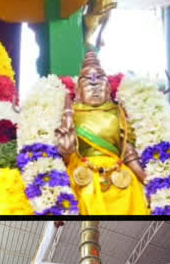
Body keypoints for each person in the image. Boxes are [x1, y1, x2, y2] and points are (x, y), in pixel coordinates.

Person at [55, 51, 149, 215]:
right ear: (78, 90)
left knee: (132, 204)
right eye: (89, 84)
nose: (95, 87)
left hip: (118, 174)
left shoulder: (117, 112)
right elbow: (62, 154)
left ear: (107, 88)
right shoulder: (71, 113)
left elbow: (127, 150)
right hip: (80, 172)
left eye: (99, 82)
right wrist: (64, 150)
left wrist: (145, 178)